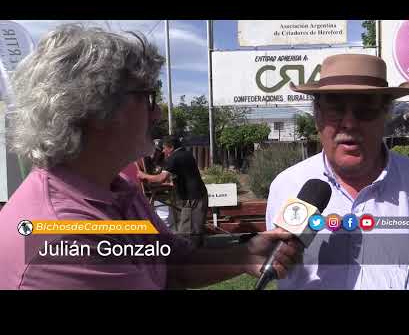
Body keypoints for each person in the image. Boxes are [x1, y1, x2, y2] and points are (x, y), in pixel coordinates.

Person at [0, 24, 302, 290]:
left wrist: (244, 255)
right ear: (95, 109)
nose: (157, 112)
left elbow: (170, 265)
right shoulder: (62, 239)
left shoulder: (116, 190)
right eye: (147, 97)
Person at [266, 53, 409, 290]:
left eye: (365, 109)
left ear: (386, 115)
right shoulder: (286, 186)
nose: (349, 123)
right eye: (335, 108)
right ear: (317, 115)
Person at [137, 136, 207, 247]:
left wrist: (142, 175)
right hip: (197, 195)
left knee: (187, 231)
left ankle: (190, 259)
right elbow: (179, 178)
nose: (163, 151)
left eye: (164, 148)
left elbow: (161, 178)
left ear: (172, 147)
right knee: (195, 230)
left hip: (192, 197)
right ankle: (196, 255)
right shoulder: (186, 154)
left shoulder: (174, 158)